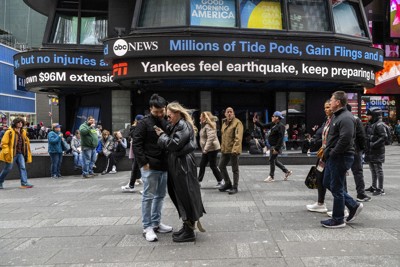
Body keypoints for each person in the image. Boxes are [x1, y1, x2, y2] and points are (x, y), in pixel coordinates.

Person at [156, 102, 206, 243]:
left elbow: (174, 144)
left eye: (170, 115)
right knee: (182, 196)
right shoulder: (178, 125)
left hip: (183, 166)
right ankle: (187, 226)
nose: (168, 117)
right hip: (180, 165)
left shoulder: (183, 125)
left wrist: (162, 136)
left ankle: (189, 231)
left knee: (186, 196)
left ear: (177, 112)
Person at [132, 94, 172, 242]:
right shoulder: (143, 123)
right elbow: (136, 144)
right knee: (148, 197)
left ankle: (156, 223)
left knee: (160, 196)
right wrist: (143, 163)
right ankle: (147, 226)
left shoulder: (165, 121)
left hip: (164, 165)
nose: (160, 114)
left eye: (162, 111)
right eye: (156, 112)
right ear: (150, 109)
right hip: (149, 166)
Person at [321, 91, 363, 228]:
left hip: (340, 157)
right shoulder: (336, 116)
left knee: (337, 188)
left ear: (338, 102)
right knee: (327, 182)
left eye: (332, 100)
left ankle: (338, 219)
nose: (330, 102)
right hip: (333, 157)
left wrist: (333, 152)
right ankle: (352, 204)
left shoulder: (346, 117)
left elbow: (345, 138)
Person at [306, 100, 332, 213]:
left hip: (332, 155)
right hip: (323, 154)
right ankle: (320, 203)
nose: (325, 109)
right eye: (325, 107)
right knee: (320, 177)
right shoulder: (327, 120)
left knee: (333, 182)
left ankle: (348, 205)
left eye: (328, 107)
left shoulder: (337, 119)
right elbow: (321, 133)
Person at [254, 111, 292, 182]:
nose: (272, 117)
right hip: (272, 146)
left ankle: (271, 176)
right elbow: (263, 126)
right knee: (275, 161)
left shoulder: (281, 126)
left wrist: (277, 149)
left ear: (277, 118)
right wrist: (256, 122)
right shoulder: (273, 124)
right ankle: (287, 172)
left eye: (273, 116)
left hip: (275, 147)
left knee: (271, 160)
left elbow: (281, 138)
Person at [346, 104, 371, 202]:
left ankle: (345, 193)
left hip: (344, 150)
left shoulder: (338, 118)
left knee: (342, 172)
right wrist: (362, 148)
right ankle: (360, 194)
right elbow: (361, 136)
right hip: (356, 150)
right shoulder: (356, 119)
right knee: (358, 172)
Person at [0, 117, 33, 189]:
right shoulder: (9, 132)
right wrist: (6, 152)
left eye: (21, 122)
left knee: (23, 167)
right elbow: (3, 143)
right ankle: (0, 181)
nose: (20, 124)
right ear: (15, 124)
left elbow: (25, 142)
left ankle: (24, 183)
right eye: (18, 122)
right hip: (11, 154)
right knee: (8, 168)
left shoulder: (23, 132)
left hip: (20, 153)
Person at [217, 107, 243, 195]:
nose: (229, 113)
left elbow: (238, 137)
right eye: (227, 112)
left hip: (233, 150)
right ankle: (228, 183)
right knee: (221, 166)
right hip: (225, 150)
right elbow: (224, 137)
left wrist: (235, 150)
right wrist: (222, 148)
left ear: (233, 113)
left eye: (231, 112)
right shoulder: (224, 123)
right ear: (225, 114)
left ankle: (235, 187)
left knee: (235, 169)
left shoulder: (237, 123)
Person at [364, 107, 387, 196]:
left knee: (378, 170)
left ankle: (380, 188)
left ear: (374, 115)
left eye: (369, 115)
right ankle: (374, 186)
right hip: (371, 151)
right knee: (373, 169)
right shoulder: (370, 124)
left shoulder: (379, 125)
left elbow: (384, 137)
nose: (367, 116)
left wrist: (373, 144)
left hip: (377, 151)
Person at [198, 111, 224, 188]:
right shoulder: (205, 125)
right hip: (208, 149)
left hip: (212, 149)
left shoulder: (209, 125)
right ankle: (198, 181)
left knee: (212, 166)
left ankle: (221, 181)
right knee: (202, 165)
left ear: (205, 118)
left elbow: (211, 138)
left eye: (201, 116)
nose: (199, 118)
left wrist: (205, 149)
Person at [121, 114, 144, 192]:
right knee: (135, 168)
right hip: (137, 150)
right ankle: (132, 184)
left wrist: (134, 126)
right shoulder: (140, 127)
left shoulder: (138, 127)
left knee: (138, 168)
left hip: (139, 150)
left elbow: (134, 135)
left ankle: (132, 185)